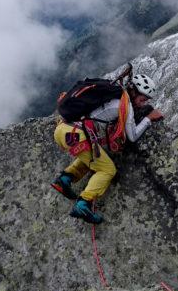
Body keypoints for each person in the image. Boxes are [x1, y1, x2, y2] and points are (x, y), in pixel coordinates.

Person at [51, 73, 164, 224]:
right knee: (107, 169)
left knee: (94, 158)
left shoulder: (112, 91)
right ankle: (84, 203)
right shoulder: (125, 105)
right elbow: (133, 136)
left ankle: (64, 180)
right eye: (142, 99)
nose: (143, 104)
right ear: (134, 92)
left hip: (63, 130)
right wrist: (148, 119)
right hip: (76, 135)